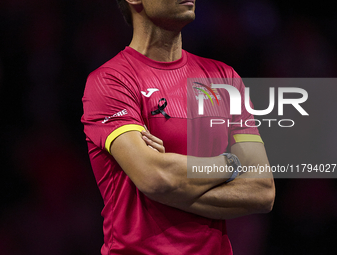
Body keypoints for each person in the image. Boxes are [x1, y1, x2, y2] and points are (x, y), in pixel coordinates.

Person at [81, 0, 275, 254]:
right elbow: (155, 178)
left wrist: (172, 185)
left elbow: (263, 191)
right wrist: (233, 164)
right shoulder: (110, 81)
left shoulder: (224, 78)